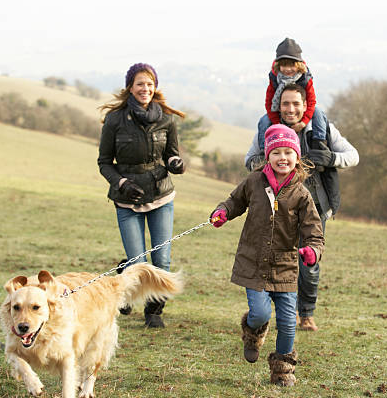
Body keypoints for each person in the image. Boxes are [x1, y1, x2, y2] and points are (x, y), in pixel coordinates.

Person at [210, 125, 324, 387]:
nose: (282, 157)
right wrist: (222, 213)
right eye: (276, 152)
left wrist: (312, 251)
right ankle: (252, 334)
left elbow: (315, 233)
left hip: (285, 268)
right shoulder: (254, 181)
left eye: (288, 152)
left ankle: (283, 369)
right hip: (253, 264)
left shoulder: (302, 195)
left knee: (287, 322)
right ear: (267, 156)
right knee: (260, 314)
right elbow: (233, 201)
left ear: (297, 157)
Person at [245, 83, 359, 332]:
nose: (291, 108)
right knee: (281, 259)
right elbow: (249, 159)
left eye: (296, 103)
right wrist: (266, 164)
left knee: (309, 262)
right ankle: (286, 313)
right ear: (278, 106)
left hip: (315, 206)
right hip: (278, 207)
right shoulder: (267, 129)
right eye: (285, 103)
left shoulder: (323, 129)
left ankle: (306, 313)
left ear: (306, 106)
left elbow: (353, 155)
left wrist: (330, 159)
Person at [97, 62, 186, 328]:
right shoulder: (115, 120)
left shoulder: (167, 119)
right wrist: (122, 182)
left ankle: (154, 311)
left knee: (162, 260)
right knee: (138, 262)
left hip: (161, 196)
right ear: (130, 87)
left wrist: (174, 163)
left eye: (149, 84)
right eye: (140, 84)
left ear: (154, 87)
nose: (145, 88)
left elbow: (172, 153)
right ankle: (126, 274)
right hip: (127, 199)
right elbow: (103, 162)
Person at [257, 37, 328, 152]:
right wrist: (277, 124)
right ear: (278, 65)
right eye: (284, 65)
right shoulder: (275, 79)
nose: (288, 69)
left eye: (292, 65)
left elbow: (311, 101)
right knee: (264, 120)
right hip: (280, 114)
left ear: (299, 64)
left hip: (304, 112)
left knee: (319, 113)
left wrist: (303, 122)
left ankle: (319, 145)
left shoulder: (305, 78)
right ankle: (262, 150)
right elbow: (269, 102)